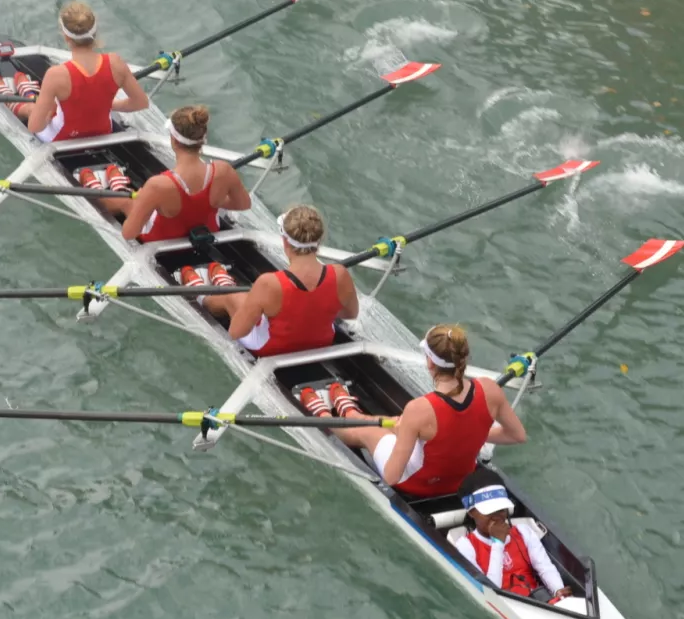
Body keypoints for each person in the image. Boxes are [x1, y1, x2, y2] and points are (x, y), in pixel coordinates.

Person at [305, 323, 526, 494]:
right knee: (399, 423)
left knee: (370, 431)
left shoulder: (420, 409)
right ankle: (351, 412)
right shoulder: (490, 389)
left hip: (416, 485)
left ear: (430, 363)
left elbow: (391, 477)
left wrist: (403, 432)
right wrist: (466, 434)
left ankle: (325, 414)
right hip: (461, 481)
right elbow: (517, 435)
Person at [182, 205, 359, 357]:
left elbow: (236, 332)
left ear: (285, 241)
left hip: (271, 349)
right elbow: (350, 314)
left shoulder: (269, 283)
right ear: (319, 241)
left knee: (234, 297)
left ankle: (202, 295)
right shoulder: (340, 274)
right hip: (322, 342)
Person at [0, 1, 150, 145]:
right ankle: (28, 93)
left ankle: (16, 100)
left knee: (34, 109)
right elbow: (140, 103)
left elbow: (35, 126)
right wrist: (108, 105)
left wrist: (48, 112)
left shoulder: (56, 75)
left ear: (66, 37)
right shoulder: (115, 63)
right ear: (94, 33)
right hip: (103, 132)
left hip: (61, 139)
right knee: (50, 107)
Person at [121, 104, 252, 243]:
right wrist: (216, 201)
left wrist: (141, 202)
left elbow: (128, 234)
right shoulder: (224, 171)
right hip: (208, 233)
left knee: (124, 202)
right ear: (202, 140)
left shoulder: (157, 185)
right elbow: (243, 204)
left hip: (161, 242)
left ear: (174, 140)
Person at [449, 481, 568, 602]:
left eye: (501, 510)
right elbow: (491, 591)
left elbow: (545, 567)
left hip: (539, 601)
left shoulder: (524, 531)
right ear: (471, 513)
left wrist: (558, 590)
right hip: (506, 607)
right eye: (489, 512)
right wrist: (498, 543)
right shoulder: (465, 546)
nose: (497, 517)